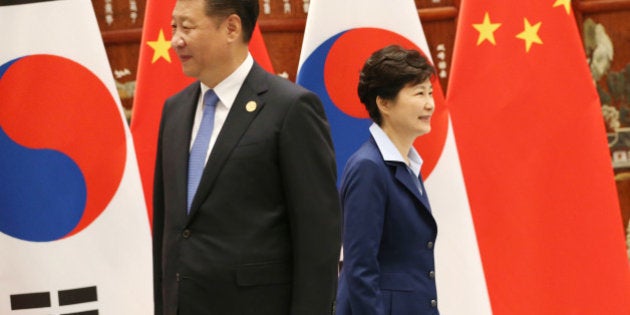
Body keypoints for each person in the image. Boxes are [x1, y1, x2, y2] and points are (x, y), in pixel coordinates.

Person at [152, 0, 341, 314]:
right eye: (173, 27)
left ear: (231, 28)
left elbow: (318, 241)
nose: (175, 40)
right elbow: (168, 230)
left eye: (187, 27)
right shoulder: (174, 111)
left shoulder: (290, 109)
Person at [335, 45, 440, 315]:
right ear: (384, 103)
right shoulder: (368, 168)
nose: (430, 103)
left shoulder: (407, 164)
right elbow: (359, 269)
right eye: (419, 93)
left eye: (430, 92)